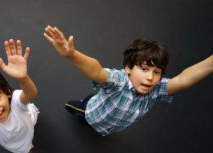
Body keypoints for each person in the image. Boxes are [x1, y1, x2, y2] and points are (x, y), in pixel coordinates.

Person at [44, 25, 213, 136]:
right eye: (144, 69)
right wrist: (72, 55)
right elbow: (97, 71)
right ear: (128, 68)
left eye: (157, 72)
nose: (150, 77)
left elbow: (184, 79)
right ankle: (77, 106)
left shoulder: (155, 90)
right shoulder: (119, 81)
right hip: (91, 114)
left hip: (110, 127)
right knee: (75, 108)